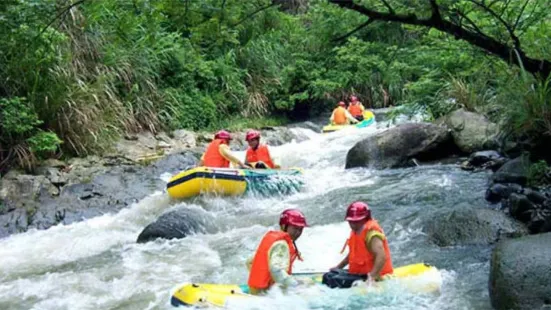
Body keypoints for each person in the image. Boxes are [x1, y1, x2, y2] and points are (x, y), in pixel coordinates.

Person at [323, 201, 393, 288]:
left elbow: (381, 256)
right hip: (359, 274)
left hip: (376, 276)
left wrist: (371, 278)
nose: (353, 225)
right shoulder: (356, 231)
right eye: (351, 221)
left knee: (334, 281)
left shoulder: (372, 233)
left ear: (365, 219)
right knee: (328, 276)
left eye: (356, 221)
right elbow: (352, 255)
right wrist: (338, 267)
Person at [247, 209, 309, 295]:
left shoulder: (275, 241)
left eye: (300, 229)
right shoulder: (282, 245)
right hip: (267, 295)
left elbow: (250, 262)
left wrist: (260, 278)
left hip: (258, 291)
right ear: (284, 226)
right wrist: (295, 285)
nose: (298, 233)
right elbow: (276, 270)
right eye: (295, 228)